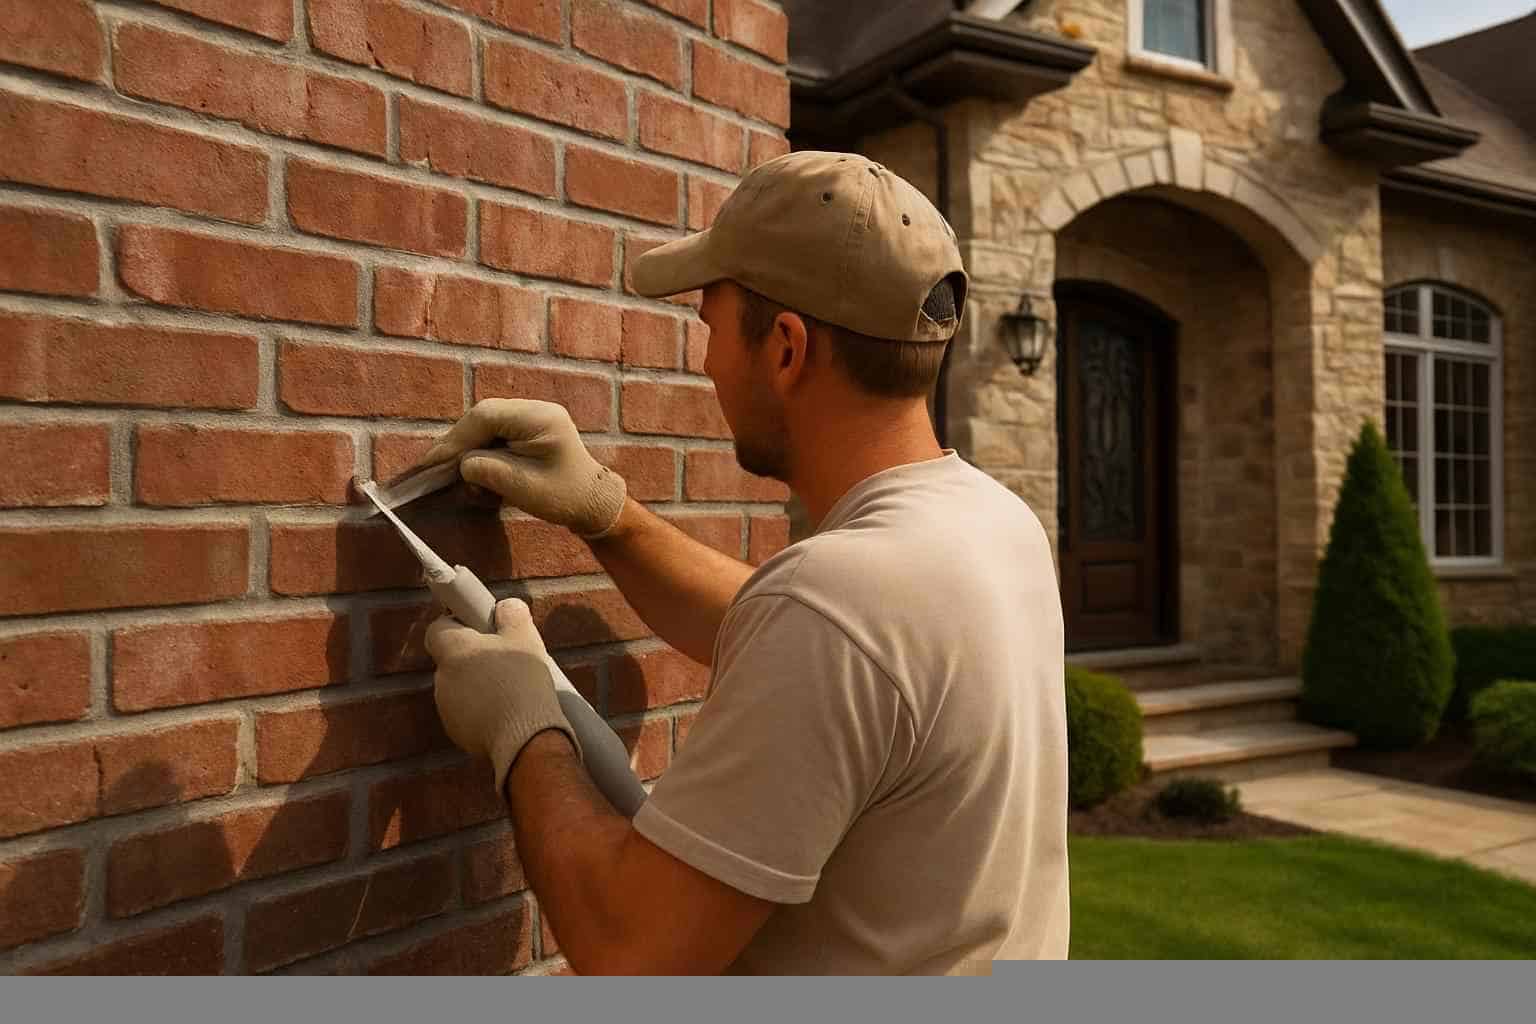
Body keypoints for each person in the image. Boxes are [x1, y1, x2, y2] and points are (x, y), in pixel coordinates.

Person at [413, 151, 1069, 975]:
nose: (709, 362)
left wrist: (521, 727)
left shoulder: (839, 605)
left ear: (787, 349)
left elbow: (628, 949)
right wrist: (605, 513)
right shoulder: (993, 525)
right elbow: (818, 647)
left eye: (713, 327)